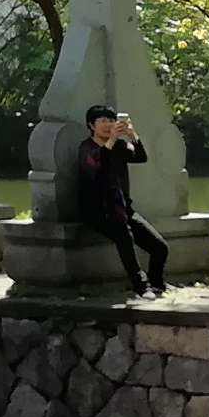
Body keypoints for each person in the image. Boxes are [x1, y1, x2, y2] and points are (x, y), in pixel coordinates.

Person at [78, 105, 170, 296]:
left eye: (111, 121)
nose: (108, 125)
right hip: (99, 211)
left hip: (123, 208)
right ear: (91, 125)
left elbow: (141, 157)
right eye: (102, 121)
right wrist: (111, 140)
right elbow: (97, 169)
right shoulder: (86, 148)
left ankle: (157, 285)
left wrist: (132, 134)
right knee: (124, 235)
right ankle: (141, 286)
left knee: (160, 247)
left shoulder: (119, 146)